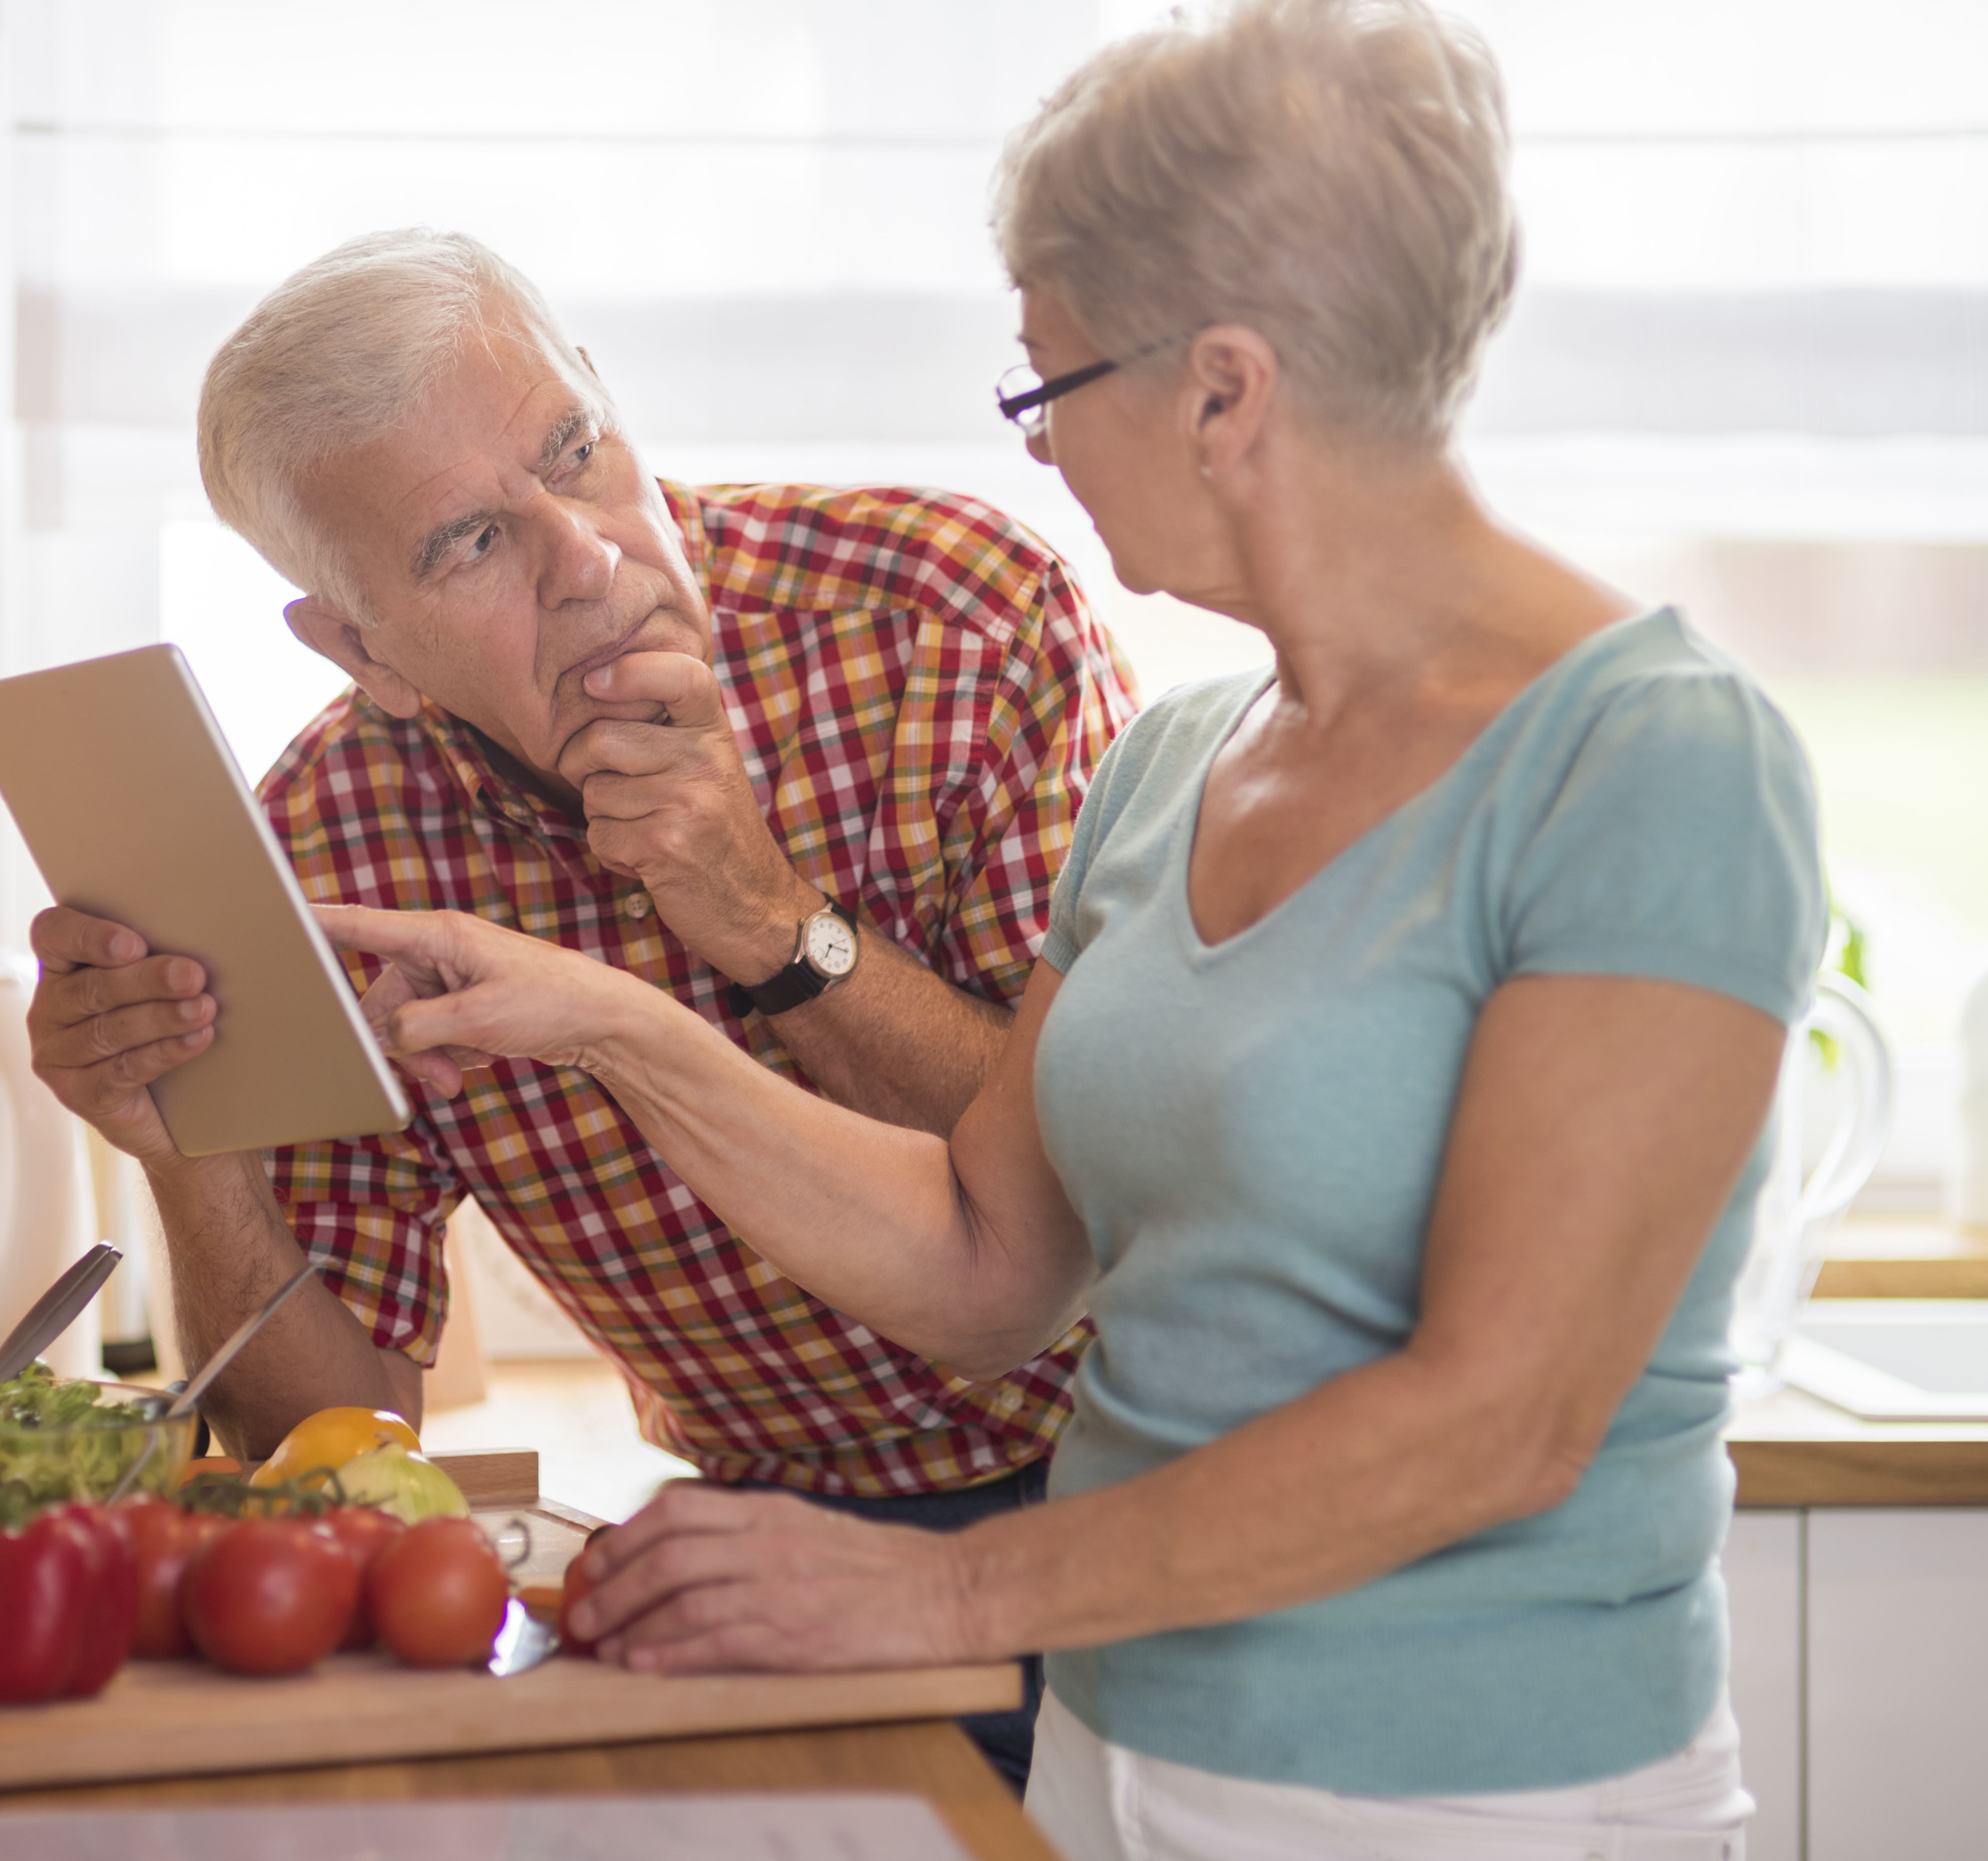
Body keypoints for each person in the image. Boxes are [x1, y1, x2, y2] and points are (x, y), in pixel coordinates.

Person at [310, 3, 1824, 1856]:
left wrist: (937, 1601)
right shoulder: (1182, 762)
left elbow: (1496, 1421)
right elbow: (991, 1264)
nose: (1032, 454)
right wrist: (615, 1026)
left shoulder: (1653, 758)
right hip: (1124, 1745)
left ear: (1223, 392)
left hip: (1478, 1790)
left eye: (1047, 387)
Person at [22, 230, 1137, 1784]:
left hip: (1155, 1476)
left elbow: (1102, 1199)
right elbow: (328, 1442)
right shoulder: (330, 852)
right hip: (776, 1537)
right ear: (363, 650)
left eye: (576, 451)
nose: (591, 557)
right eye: (469, 544)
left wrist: (763, 917)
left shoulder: (953, 615)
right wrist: (181, 1146)